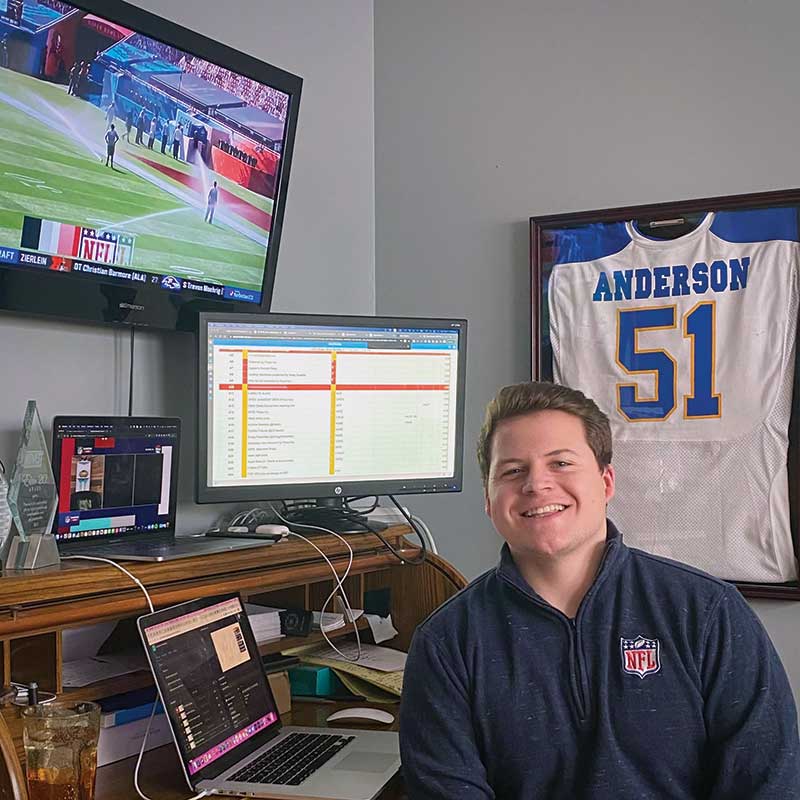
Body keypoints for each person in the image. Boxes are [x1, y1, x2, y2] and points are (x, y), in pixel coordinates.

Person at [399, 380, 800, 799]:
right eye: (513, 470)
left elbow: (766, 784)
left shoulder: (708, 613)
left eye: (561, 463)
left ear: (606, 482)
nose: (536, 484)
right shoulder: (447, 643)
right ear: (488, 499)